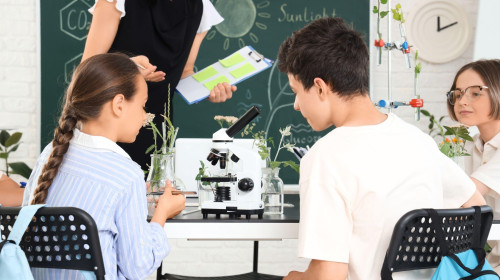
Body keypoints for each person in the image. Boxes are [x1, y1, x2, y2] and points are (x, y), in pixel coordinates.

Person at [277, 18, 486, 280]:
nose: (296, 105)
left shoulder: (326, 156)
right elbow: (474, 204)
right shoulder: (416, 139)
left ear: (320, 86)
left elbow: (328, 276)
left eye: (297, 91)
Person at [22, 53, 186, 280]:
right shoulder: (126, 175)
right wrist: (162, 214)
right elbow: (137, 268)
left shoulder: (49, 154)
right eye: (142, 105)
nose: (144, 115)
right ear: (119, 104)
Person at [82, 0, 237, 171]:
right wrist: (128, 68)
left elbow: (184, 72)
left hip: (156, 130)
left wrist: (208, 89)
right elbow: (88, 69)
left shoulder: (200, 6)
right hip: (107, 125)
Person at [446, 59, 500, 272]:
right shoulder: (470, 148)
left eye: (475, 93)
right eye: (458, 94)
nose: (462, 101)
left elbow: (464, 195)